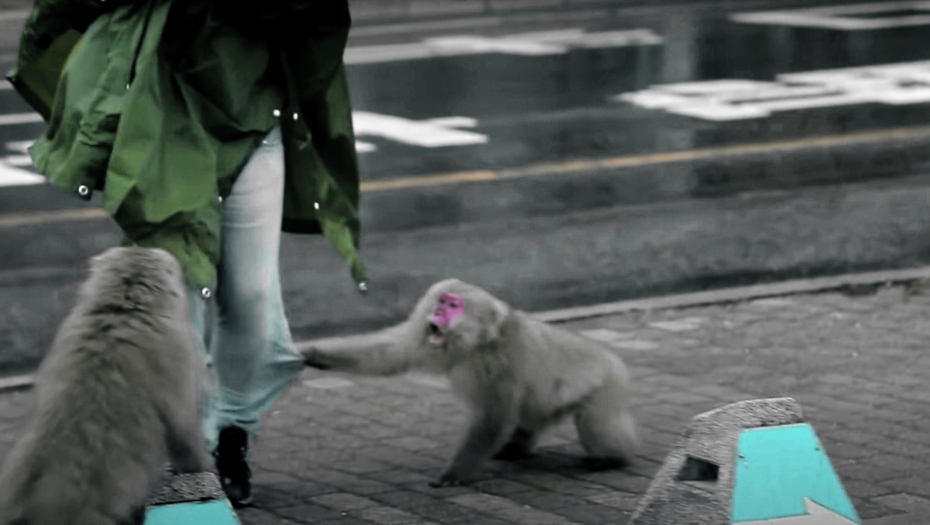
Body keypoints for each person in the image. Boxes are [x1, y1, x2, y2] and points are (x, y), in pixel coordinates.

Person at [8, 0, 368, 508]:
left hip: (253, 116)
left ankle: (233, 432)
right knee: (179, 299)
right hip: (161, 120)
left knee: (251, 291)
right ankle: (187, 467)